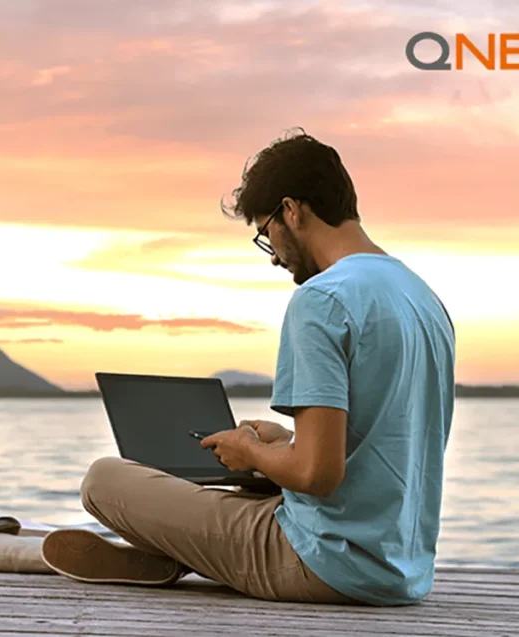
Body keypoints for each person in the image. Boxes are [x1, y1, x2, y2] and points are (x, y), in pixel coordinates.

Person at [40, 128, 456, 606]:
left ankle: (176, 550)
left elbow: (319, 476)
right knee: (238, 493)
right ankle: (180, 547)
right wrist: (286, 443)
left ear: (292, 211)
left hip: (322, 562)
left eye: (266, 234)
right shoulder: (421, 298)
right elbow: (385, 443)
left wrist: (250, 451)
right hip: (402, 568)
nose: (275, 256)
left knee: (104, 480)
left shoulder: (322, 299)